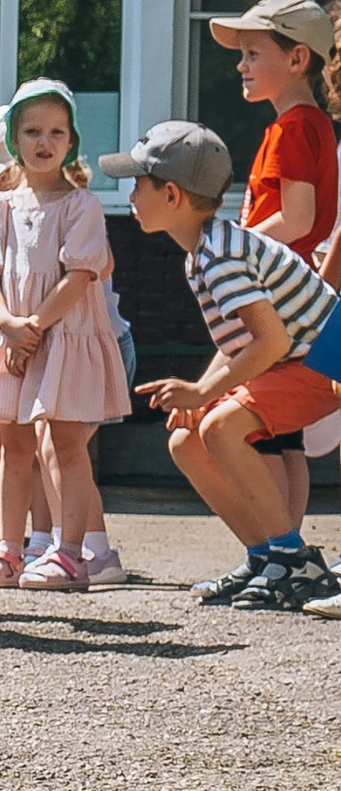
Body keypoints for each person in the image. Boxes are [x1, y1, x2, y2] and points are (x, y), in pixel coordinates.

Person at [109, 117, 341, 610]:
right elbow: (246, 341)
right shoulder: (204, 252)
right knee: (187, 438)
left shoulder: (219, 255)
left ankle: (295, 560)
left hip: (325, 357)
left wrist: (204, 393)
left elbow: (271, 340)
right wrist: (204, 391)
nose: (129, 194)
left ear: (172, 196)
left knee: (219, 428)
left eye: (138, 183)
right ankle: (265, 556)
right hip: (297, 358)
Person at [0, 76, 132, 588]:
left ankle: (70, 552)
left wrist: (34, 325)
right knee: (14, 445)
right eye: (33, 131)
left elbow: (80, 276)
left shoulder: (83, 206)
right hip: (15, 337)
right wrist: (9, 325)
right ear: (15, 139)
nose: (44, 142)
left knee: (64, 444)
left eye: (56, 132)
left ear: (71, 140)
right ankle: (8, 550)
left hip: (62, 336)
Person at [210, 0, 340, 546]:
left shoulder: (293, 128)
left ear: (297, 60)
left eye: (252, 53)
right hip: (295, 299)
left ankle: (279, 553)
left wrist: (228, 246)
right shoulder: (303, 125)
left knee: (254, 431)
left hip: (281, 300)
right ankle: (286, 551)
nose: (241, 64)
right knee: (282, 437)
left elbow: (298, 217)